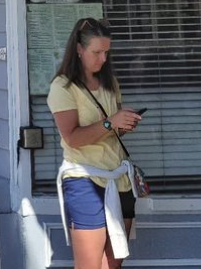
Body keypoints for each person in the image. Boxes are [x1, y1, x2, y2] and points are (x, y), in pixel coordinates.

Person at [47, 17, 143, 269]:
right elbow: (73, 138)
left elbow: (109, 133)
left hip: (119, 178)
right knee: (89, 265)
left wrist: (124, 125)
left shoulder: (110, 83)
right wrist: (111, 122)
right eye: (96, 52)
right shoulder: (63, 87)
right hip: (84, 180)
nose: (102, 59)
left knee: (113, 263)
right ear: (79, 49)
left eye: (106, 52)